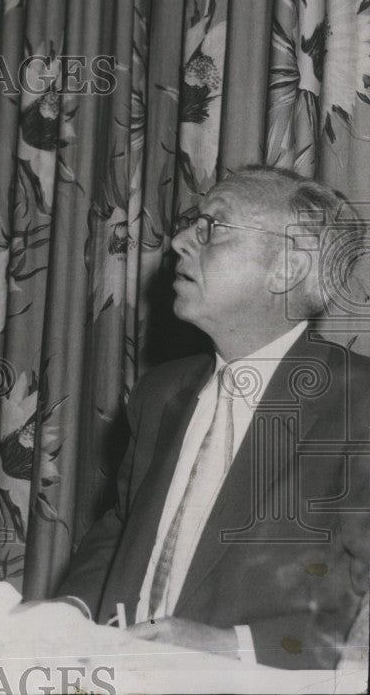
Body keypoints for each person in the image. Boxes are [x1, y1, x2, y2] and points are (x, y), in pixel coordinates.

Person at [56, 166, 370, 669]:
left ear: (287, 268)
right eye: (191, 223)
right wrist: (69, 611)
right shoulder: (161, 392)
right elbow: (120, 527)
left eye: (213, 227)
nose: (179, 241)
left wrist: (235, 647)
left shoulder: (358, 404)